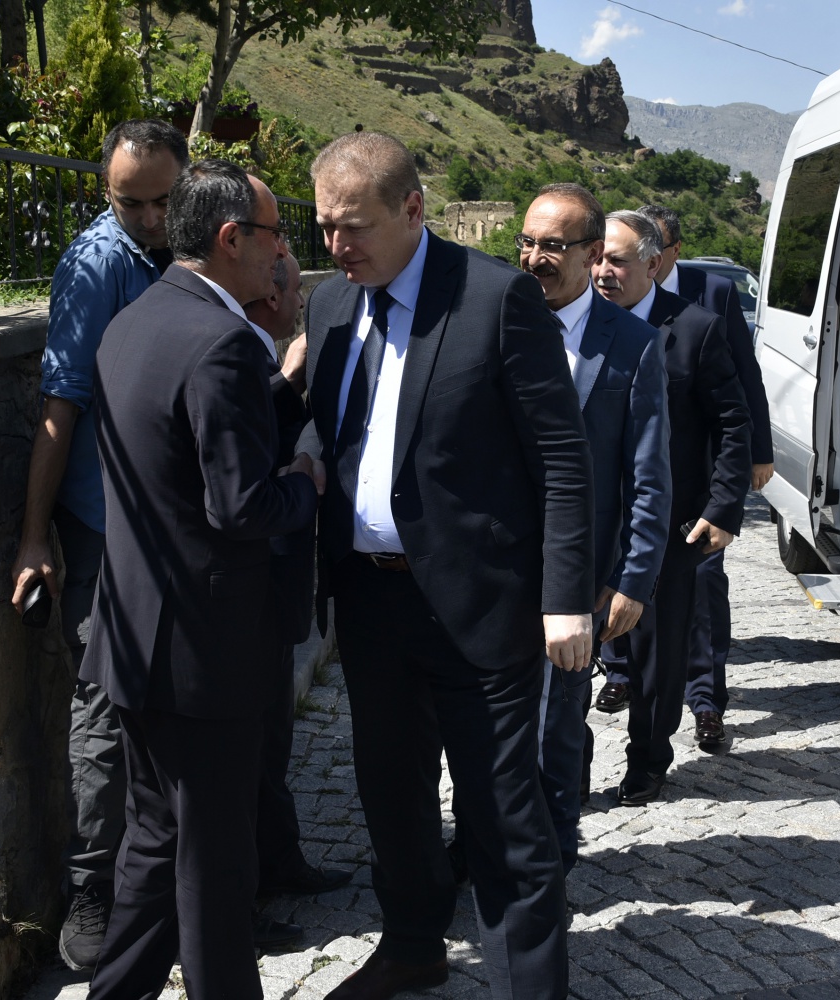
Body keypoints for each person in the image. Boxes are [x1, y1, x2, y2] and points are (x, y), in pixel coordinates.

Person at [299, 132, 593, 1000]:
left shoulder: (497, 299)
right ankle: (414, 946)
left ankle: (530, 987)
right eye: (322, 229)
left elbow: (563, 458)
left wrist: (566, 597)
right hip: (370, 604)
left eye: (353, 227)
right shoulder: (329, 306)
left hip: (482, 611)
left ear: (413, 210)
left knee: (504, 821)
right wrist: (308, 452)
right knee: (389, 796)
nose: (336, 247)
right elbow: (337, 423)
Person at [81, 161, 320, 1000]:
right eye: (275, 235)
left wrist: (280, 396)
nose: (284, 254)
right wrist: (307, 485)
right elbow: (241, 505)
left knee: (155, 836)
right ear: (230, 240)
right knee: (215, 861)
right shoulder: (219, 341)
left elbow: (183, 457)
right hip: (203, 653)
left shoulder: (137, 320)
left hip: (136, 636)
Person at [7, 118, 186, 971]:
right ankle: (93, 889)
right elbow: (60, 403)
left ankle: (207, 880)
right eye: (131, 203)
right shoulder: (96, 265)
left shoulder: (190, 245)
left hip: (183, 526)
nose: (150, 218)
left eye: (163, 200)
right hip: (108, 529)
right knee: (103, 711)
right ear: (103, 192)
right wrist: (35, 535)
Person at [513, 182, 670, 869]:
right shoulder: (496, 320)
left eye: (552, 246)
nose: (535, 258)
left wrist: (633, 578)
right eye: (526, 242)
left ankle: (550, 856)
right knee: (489, 726)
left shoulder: (631, 344)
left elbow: (648, 473)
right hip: (493, 568)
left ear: (589, 254)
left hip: (579, 577)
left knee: (557, 721)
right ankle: (488, 844)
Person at [591, 210, 751, 806]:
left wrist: (725, 507)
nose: (602, 271)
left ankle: (648, 759)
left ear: (653, 264)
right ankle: (568, 757)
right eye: (597, 258)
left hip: (669, 524)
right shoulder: (574, 324)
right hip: (590, 522)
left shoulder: (694, 329)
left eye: (617, 260)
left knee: (658, 655)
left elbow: (733, 422)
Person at [629, 203, 773, 755]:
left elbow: (743, 379)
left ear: (668, 253)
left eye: (655, 252)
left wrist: (755, 456)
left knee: (704, 591)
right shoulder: (599, 309)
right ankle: (622, 673)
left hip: (699, 481)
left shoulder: (712, 296)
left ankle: (706, 699)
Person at [242, 257, 354, 915]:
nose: (302, 304)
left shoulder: (264, 351)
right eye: (295, 291)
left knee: (274, 736)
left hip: (277, 593)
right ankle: (255, 883)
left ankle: (280, 860)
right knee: (255, 744)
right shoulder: (241, 352)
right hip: (251, 586)